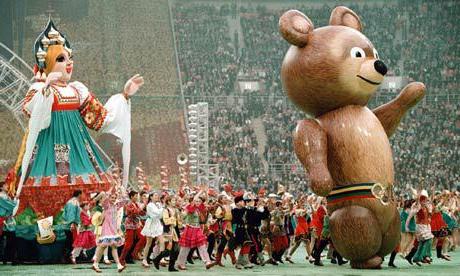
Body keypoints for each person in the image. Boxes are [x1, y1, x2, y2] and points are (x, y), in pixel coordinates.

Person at [92, 186, 129, 273]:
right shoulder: (106, 205)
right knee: (103, 246)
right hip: (106, 228)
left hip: (113, 229)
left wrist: (122, 191)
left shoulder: (116, 205)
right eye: (112, 197)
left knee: (113, 247)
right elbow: (104, 196)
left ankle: (118, 265)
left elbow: (125, 201)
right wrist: (110, 189)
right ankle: (96, 263)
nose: (113, 199)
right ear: (109, 198)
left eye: (115, 198)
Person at [176, 187, 213, 270]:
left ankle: (207, 262)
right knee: (185, 247)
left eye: (199, 201)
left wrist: (205, 192)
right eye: (196, 201)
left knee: (202, 245)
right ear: (193, 201)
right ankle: (180, 263)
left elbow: (206, 200)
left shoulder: (199, 208)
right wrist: (200, 191)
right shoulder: (190, 207)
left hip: (197, 229)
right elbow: (195, 199)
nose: (198, 202)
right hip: (189, 229)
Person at [140, 191, 164, 268]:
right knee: (148, 243)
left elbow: (160, 215)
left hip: (157, 223)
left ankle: (160, 258)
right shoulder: (150, 205)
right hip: (151, 224)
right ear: (151, 197)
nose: (157, 197)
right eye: (155, 195)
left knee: (161, 241)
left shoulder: (158, 204)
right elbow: (156, 213)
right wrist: (161, 209)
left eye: (157, 195)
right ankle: (144, 260)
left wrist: (160, 209)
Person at [119, 191, 143, 265]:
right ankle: (122, 258)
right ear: (131, 196)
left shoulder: (136, 204)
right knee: (128, 243)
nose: (137, 197)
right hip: (129, 225)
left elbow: (140, 212)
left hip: (136, 224)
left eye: (137, 196)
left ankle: (134, 253)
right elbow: (134, 212)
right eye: (135, 196)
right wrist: (142, 207)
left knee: (143, 237)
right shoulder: (128, 204)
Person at [62, 190, 82, 263]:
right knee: (71, 242)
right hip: (70, 225)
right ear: (79, 195)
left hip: (69, 224)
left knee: (69, 241)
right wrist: (72, 223)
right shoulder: (74, 202)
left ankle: (67, 258)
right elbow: (71, 214)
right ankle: (67, 258)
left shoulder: (70, 201)